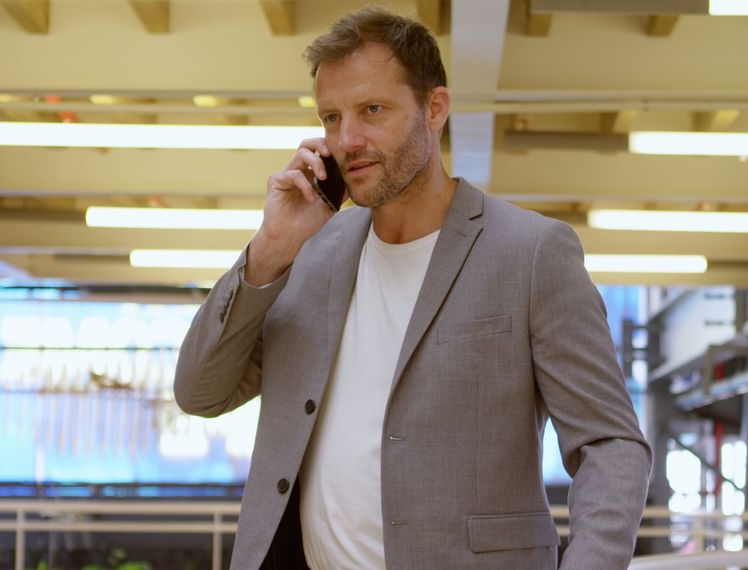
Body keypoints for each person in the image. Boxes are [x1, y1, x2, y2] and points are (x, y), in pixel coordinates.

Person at [174, 7, 651, 569]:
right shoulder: (309, 253)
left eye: (371, 110)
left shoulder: (531, 253)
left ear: (434, 109)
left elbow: (611, 445)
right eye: (331, 117)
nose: (347, 139)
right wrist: (270, 250)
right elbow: (200, 392)